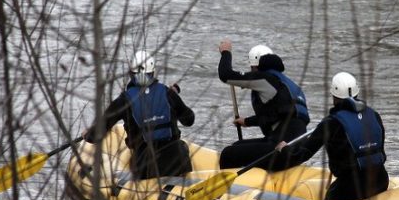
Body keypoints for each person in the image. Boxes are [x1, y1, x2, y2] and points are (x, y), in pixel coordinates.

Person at [276, 72, 389, 200]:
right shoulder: (374, 115)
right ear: (357, 93)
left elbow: (301, 155)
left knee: (329, 199)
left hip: (351, 189)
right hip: (381, 181)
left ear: (334, 96)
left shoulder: (330, 123)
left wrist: (284, 149)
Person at [83, 50, 195, 179]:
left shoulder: (124, 100)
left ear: (131, 74)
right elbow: (189, 120)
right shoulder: (168, 93)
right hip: (177, 160)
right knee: (181, 147)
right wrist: (174, 97)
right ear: (152, 73)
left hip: (146, 165)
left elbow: (96, 135)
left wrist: (88, 134)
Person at [217, 40, 309, 170]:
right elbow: (276, 115)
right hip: (296, 148)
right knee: (237, 145)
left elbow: (226, 75)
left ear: (256, 66)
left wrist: (226, 52)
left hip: (280, 148)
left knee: (228, 154)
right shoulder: (287, 84)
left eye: (252, 68)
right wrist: (247, 121)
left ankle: (230, 188)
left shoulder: (265, 79)